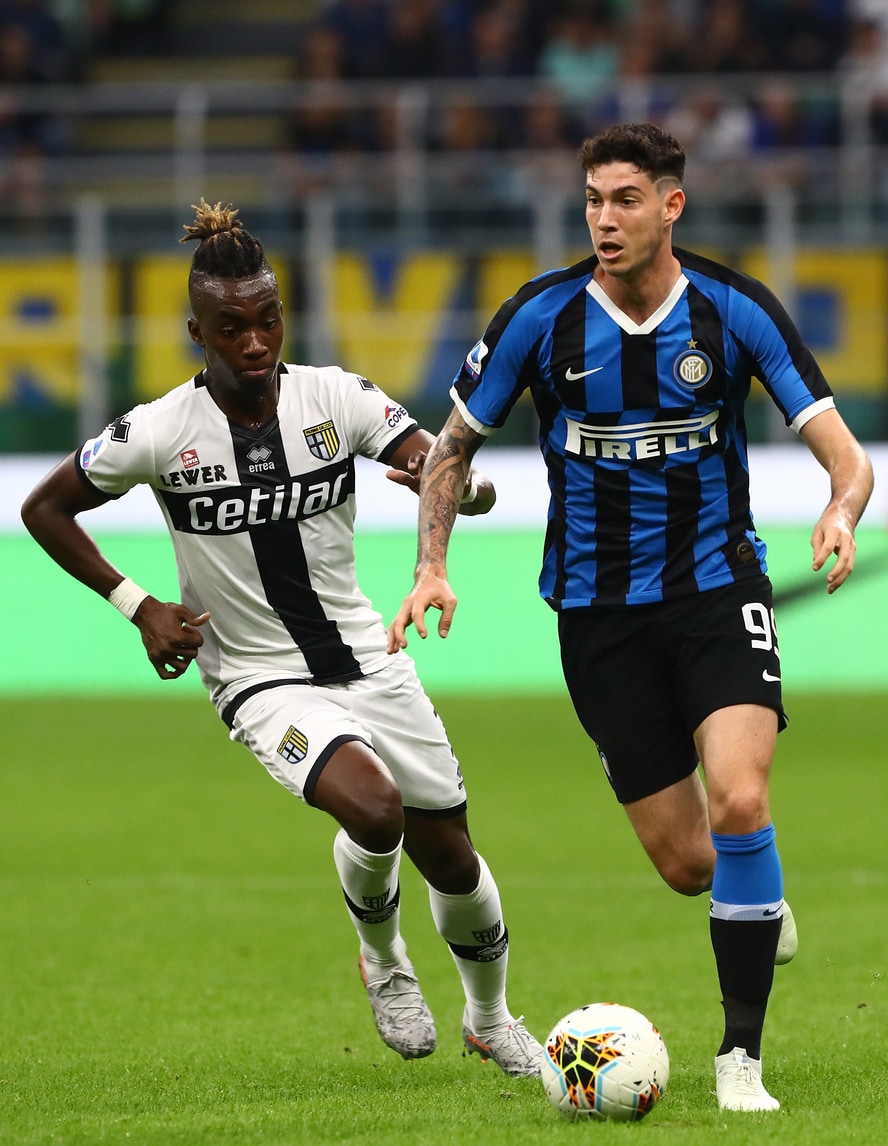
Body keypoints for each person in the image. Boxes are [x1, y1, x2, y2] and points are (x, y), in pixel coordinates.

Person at [388, 123, 874, 1111]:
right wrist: (432, 565)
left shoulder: (735, 309)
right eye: (592, 201)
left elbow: (846, 454)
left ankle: (739, 1061)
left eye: (624, 200)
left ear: (670, 205)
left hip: (717, 592)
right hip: (598, 616)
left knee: (741, 800)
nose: (604, 220)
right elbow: (451, 448)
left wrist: (840, 509)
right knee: (690, 864)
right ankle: (754, 892)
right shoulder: (541, 317)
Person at [20, 199, 544, 1078]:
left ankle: (490, 1019)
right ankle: (383, 959)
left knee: (452, 856)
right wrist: (137, 605)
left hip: (366, 655)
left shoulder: (338, 398)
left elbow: (444, 464)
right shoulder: (160, 430)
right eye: (232, 328)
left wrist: (467, 489)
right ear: (197, 332)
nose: (255, 342)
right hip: (257, 678)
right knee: (373, 807)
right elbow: (44, 508)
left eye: (268, 320)